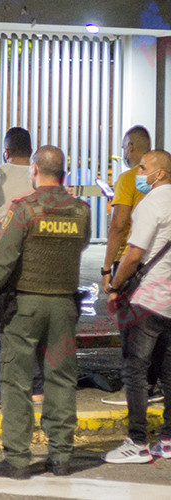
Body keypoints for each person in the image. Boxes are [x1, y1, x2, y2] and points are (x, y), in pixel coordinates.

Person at [0, 146, 91, 479]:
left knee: (17, 382)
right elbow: (78, 248)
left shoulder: (25, 210)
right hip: (64, 305)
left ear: (34, 169)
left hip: (25, 307)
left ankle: (18, 459)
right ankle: (61, 456)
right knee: (61, 380)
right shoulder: (81, 210)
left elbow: (4, 261)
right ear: (63, 172)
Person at [104, 150, 171, 464]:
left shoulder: (151, 204)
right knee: (169, 373)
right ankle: (168, 439)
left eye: (143, 168)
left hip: (146, 299)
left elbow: (134, 254)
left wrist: (114, 286)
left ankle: (137, 442)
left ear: (159, 173)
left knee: (135, 370)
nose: (139, 173)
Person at [100, 126, 163, 407]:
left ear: (133, 147)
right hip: (160, 265)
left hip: (131, 262)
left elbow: (118, 225)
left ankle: (136, 391)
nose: (124, 152)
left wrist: (107, 269)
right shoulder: (165, 184)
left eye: (125, 147)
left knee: (131, 333)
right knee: (160, 332)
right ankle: (155, 382)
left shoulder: (128, 179)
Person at [0, 127, 43, 404]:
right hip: (33, 262)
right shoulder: (39, 176)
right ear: (30, 150)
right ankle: (37, 386)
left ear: (5, 151)